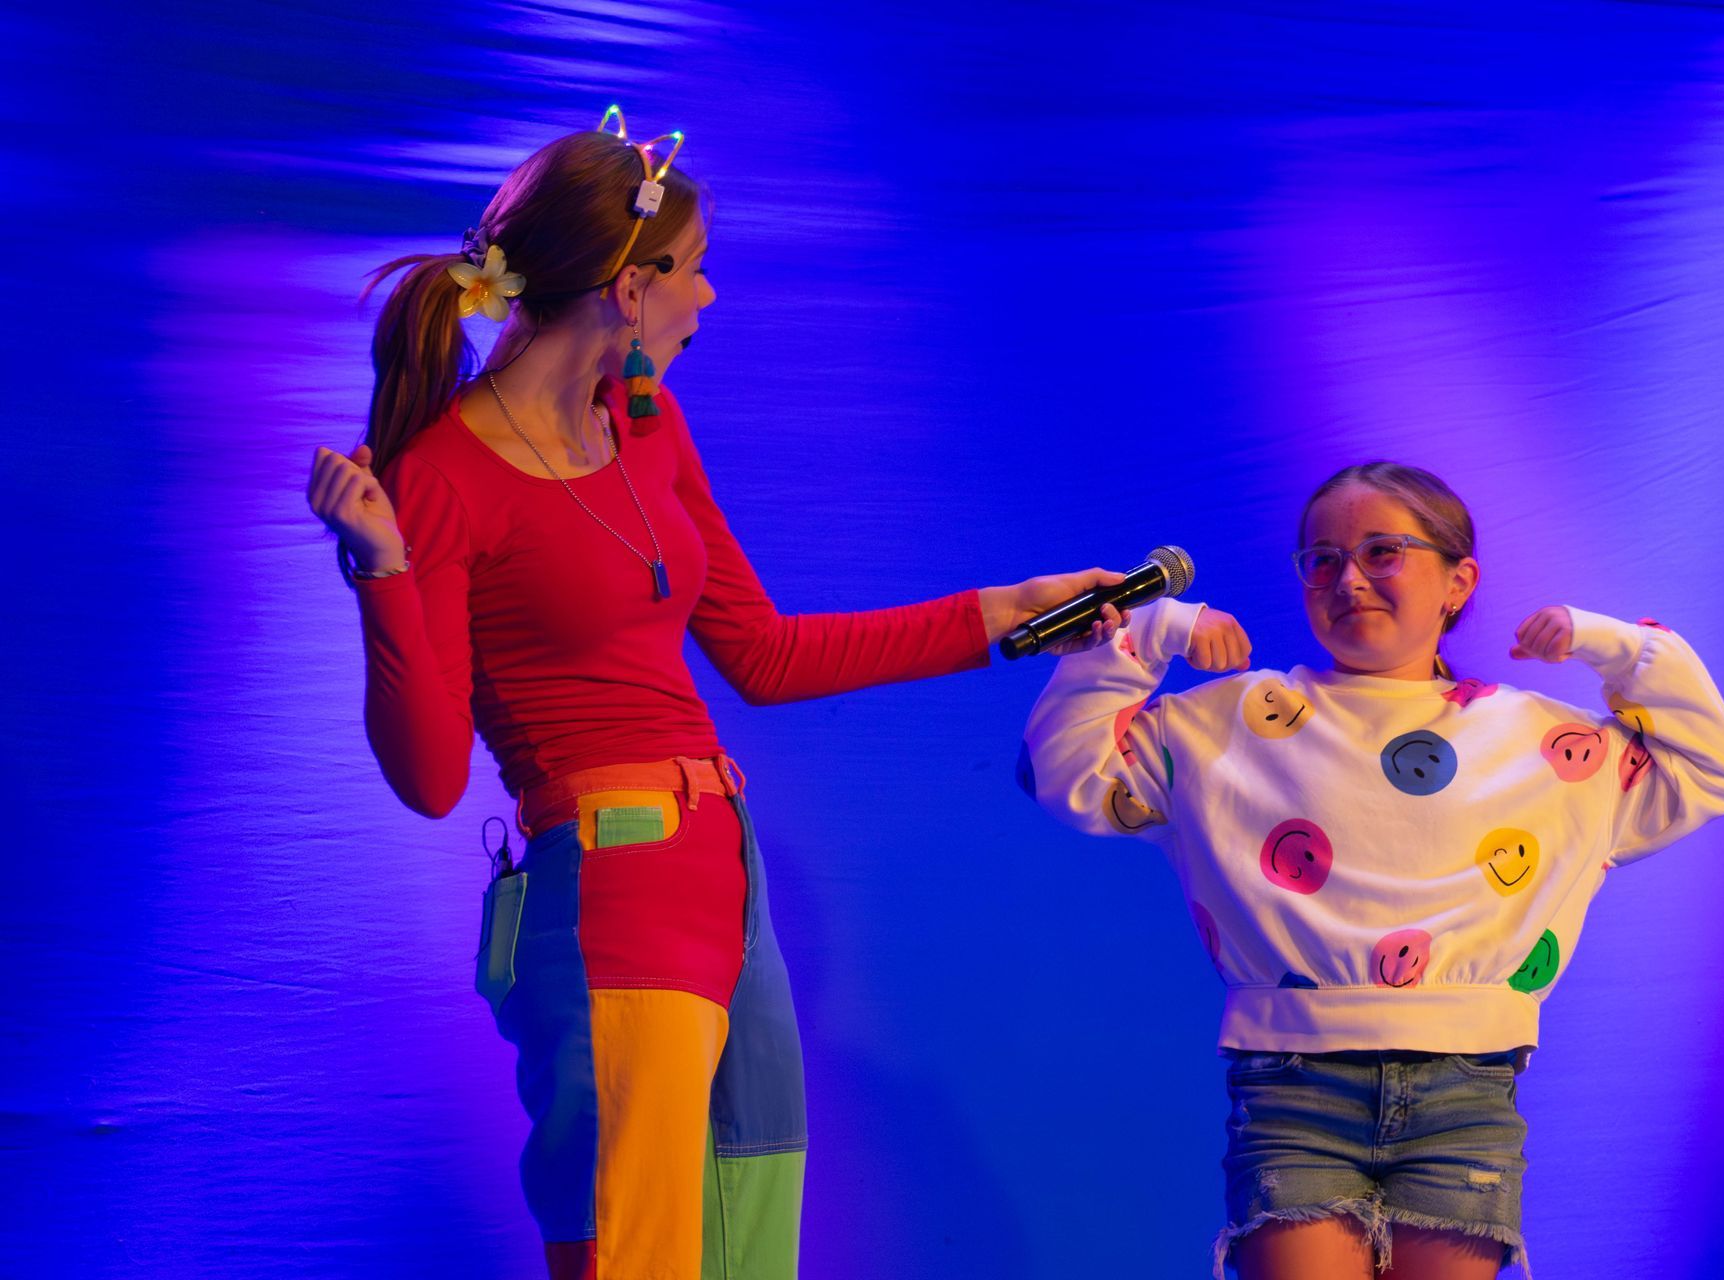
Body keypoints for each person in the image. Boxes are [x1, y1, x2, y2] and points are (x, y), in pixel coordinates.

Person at [305, 114, 1121, 1280]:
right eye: (692, 270)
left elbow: (765, 652)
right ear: (628, 289)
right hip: (607, 887)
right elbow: (431, 777)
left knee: (747, 1230)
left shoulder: (645, 423)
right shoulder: (439, 477)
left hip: (720, 874)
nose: (710, 296)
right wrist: (379, 570)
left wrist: (1013, 610)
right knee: (638, 1243)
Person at [1017, 461, 1724, 1280]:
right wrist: (1149, 635)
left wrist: (1617, 646)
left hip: (1465, 1095)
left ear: (1457, 581)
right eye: (1321, 559)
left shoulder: (1545, 744)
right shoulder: (1228, 725)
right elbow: (1067, 777)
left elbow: (1710, 770)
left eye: (1382, 552)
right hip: (1293, 1092)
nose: (1349, 579)